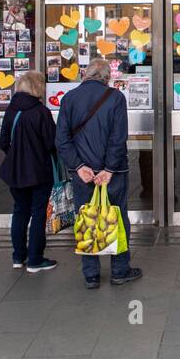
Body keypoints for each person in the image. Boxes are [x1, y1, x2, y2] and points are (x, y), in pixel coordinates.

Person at [56, 58, 142, 289]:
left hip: (82, 173)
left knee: (85, 217)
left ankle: (91, 275)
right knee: (118, 217)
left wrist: (78, 167)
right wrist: (109, 169)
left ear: (85, 74)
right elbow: (118, 137)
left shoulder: (69, 99)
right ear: (107, 77)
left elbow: (62, 140)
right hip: (113, 172)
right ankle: (119, 270)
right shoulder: (115, 98)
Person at [0, 70, 58, 273]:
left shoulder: (11, 110)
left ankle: (18, 257)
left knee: (19, 212)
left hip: (15, 171)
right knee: (38, 213)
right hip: (39, 171)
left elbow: (3, 142)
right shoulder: (41, 112)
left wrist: (16, 156)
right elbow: (51, 143)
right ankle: (35, 259)